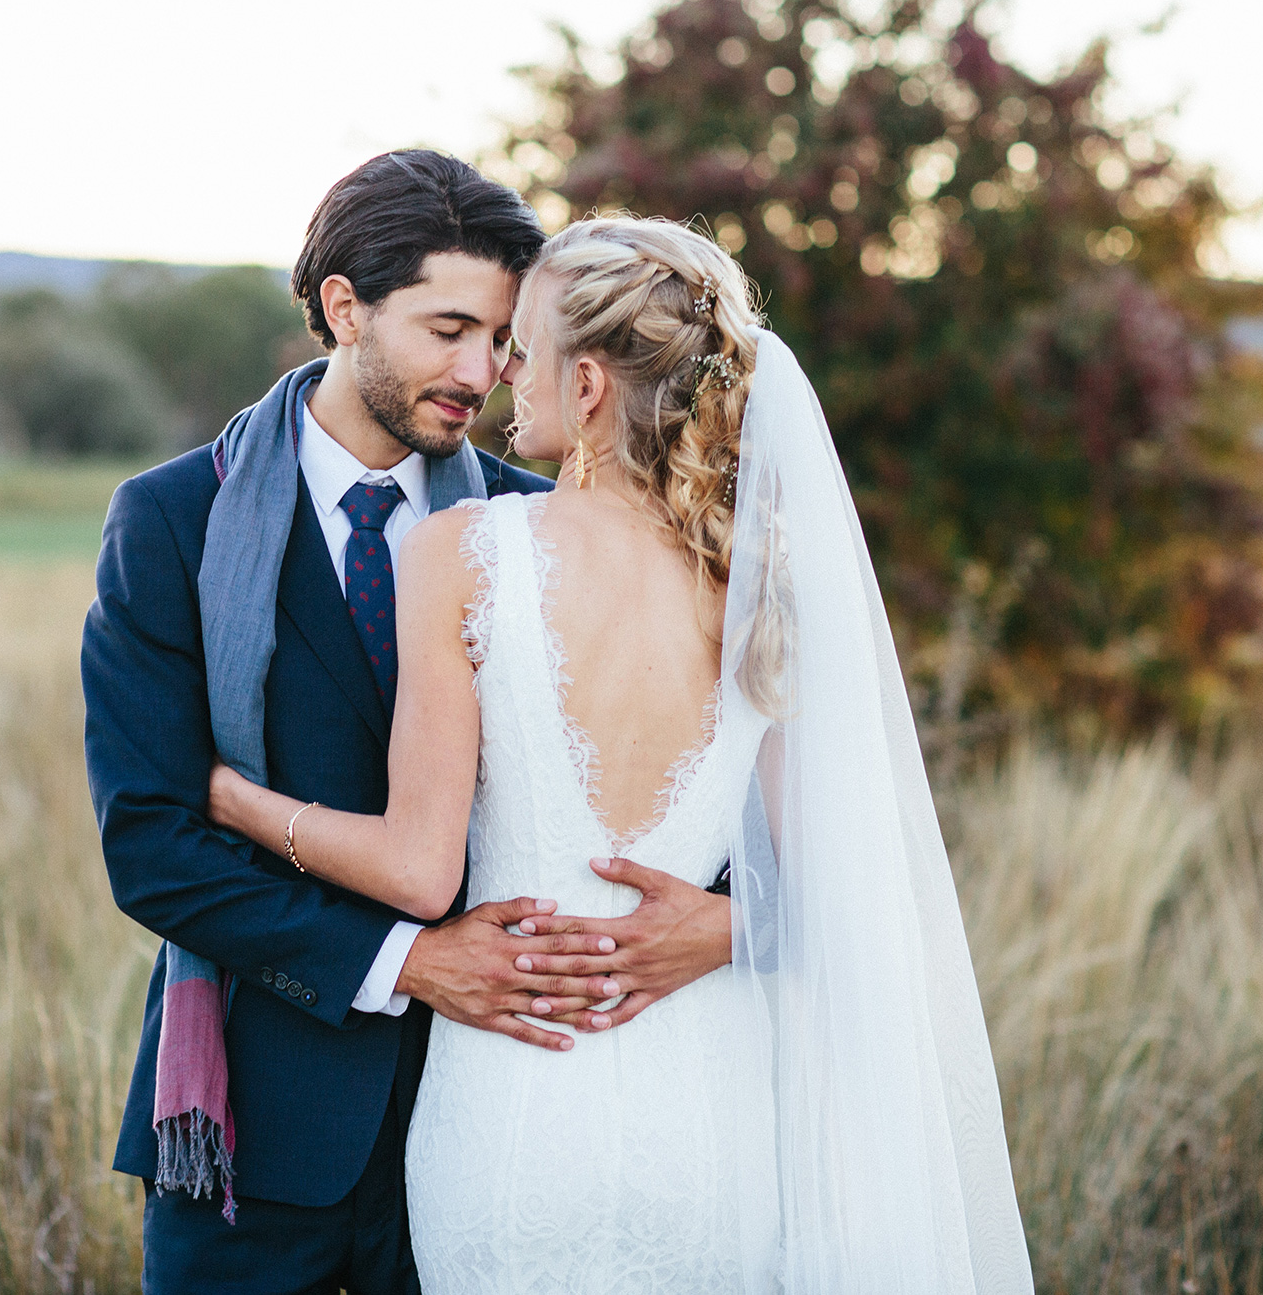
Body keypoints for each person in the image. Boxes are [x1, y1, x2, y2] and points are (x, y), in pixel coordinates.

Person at [207, 215, 1036, 1292]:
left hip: (512, 1117)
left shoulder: (460, 551)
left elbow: (418, 869)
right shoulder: (761, 583)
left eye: (525, 347)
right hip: (712, 1119)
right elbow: (840, 886)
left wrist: (234, 801)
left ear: (588, 385)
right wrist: (729, 925)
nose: (504, 372)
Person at [82, 154, 740, 1294]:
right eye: (446, 330)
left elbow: (667, 789)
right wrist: (410, 963)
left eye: (500, 339)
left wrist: (723, 924)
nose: (480, 372)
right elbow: (150, 842)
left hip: (498, 1116)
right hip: (255, 1132)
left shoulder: (542, 523)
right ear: (344, 307)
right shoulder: (172, 521)